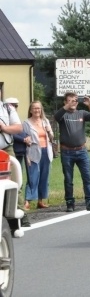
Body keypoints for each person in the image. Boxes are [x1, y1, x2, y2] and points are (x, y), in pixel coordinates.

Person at [53, 92, 90, 212]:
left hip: (82, 151)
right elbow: (56, 117)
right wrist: (67, 106)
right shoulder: (63, 114)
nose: (74, 102)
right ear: (65, 102)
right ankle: (69, 202)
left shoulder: (81, 113)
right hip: (67, 151)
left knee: (87, 177)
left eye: (75, 100)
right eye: (70, 100)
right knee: (68, 179)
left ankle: (89, 201)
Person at [22, 101, 55, 210]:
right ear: (30, 110)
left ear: (41, 110)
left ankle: (40, 200)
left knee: (44, 177)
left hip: (46, 151)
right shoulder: (26, 123)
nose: (37, 110)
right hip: (33, 152)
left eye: (39, 108)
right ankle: (27, 201)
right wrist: (27, 154)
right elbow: (24, 138)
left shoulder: (45, 121)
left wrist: (50, 132)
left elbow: (51, 138)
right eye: (35, 108)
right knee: (33, 176)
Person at [1, 95, 28, 226]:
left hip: (6, 149)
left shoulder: (7, 108)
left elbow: (18, 128)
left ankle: (20, 214)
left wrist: (4, 128)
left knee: (15, 181)